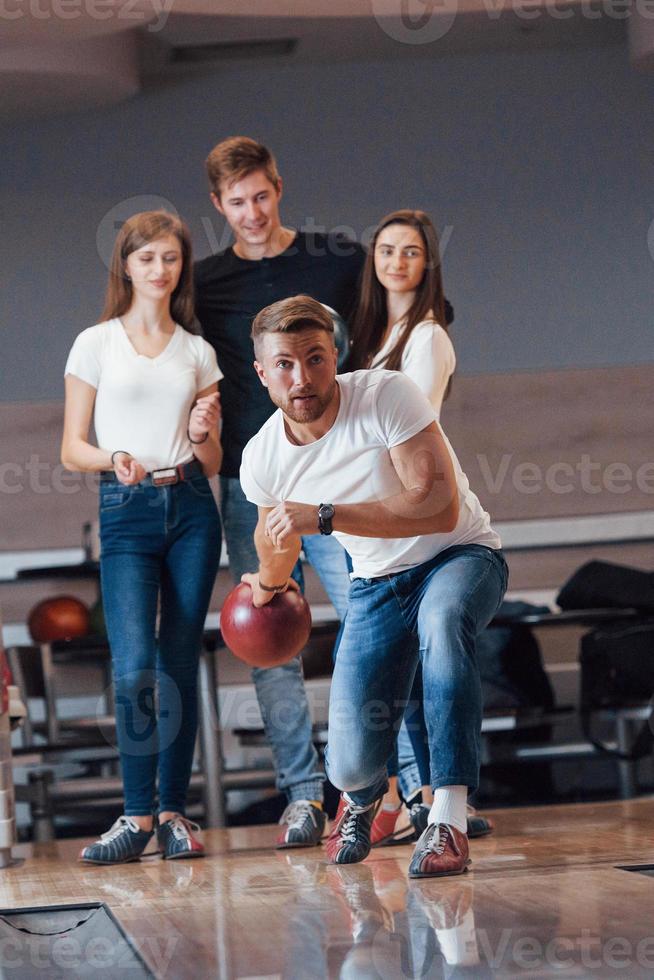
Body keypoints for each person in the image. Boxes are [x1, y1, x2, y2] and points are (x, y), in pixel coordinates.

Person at [239, 295, 508, 878]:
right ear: (261, 373)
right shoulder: (261, 457)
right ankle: (361, 801)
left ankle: (448, 818)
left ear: (333, 353)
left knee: (441, 624)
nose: (302, 377)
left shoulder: (386, 394)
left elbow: (436, 506)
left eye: (315, 358)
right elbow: (276, 538)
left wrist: (326, 516)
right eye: (284, 364)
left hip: (460, 556)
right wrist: (264, 587)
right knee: (352, 763)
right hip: (377, 584)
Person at [194, 136, 364, 847]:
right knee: (269, 637)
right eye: (237, 203)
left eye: (261, 196)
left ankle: (391, 787)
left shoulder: (339, 258)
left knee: (372, 614)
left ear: (279, 187)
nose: (253, 212)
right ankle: (302, 796)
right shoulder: (204, 283)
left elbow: (377, 344)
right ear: (218, 205)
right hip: (251, 480)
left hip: (338, 470)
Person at [61, 211, 223, 863]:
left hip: (191, 507)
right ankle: (135, 816)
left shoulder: (198, 352)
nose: (161, 270)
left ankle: (175, 813)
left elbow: (212, 461)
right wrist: (115, 457)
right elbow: (73, 448)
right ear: (125, 265)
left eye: (172, 259)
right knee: (134, 667)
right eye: (147, 258)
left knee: (179, 659)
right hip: (125, 507)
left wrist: (207, 432)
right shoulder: (94, 343)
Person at [349, 208, 492, 846]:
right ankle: (425, 796)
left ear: (427, 264)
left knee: (432, 642)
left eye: (410, 252)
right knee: (396, 664)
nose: (397, 261)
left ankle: (445, 800)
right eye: (386, 250)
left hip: (430, 524)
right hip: (387, 534)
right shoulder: (375, 336)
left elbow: (415, 425)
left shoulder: (427, 336)